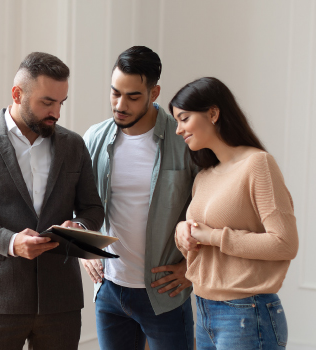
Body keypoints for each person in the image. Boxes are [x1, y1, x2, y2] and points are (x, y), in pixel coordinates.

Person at [0, 52, 104, 350]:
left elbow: (93, 208)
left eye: (61, 102)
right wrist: (11, 242)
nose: (56, 113)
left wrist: (80, 225)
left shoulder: (73, 144)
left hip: (61, 299)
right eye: (47, 102)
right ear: (17, 94)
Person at [170, 77, 299, 350]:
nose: (178, 129)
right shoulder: (204, 175)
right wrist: (183, 233)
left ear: (213, 113)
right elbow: (205, 249)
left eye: (184, 118)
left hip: (245, 311)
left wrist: (213, 236)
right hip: (204, 309)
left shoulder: (257, 164)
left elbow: (285, 243)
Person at [82, 46, 197, 350]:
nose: (120, 105)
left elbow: (210, 212)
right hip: (109, 291)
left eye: (133, 96)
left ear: (154, 92)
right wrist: (84, 249)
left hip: (164, 293)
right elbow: (77, 204)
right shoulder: (94, 138)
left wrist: (192, 267)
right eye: (115, 93)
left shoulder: (184, 141)